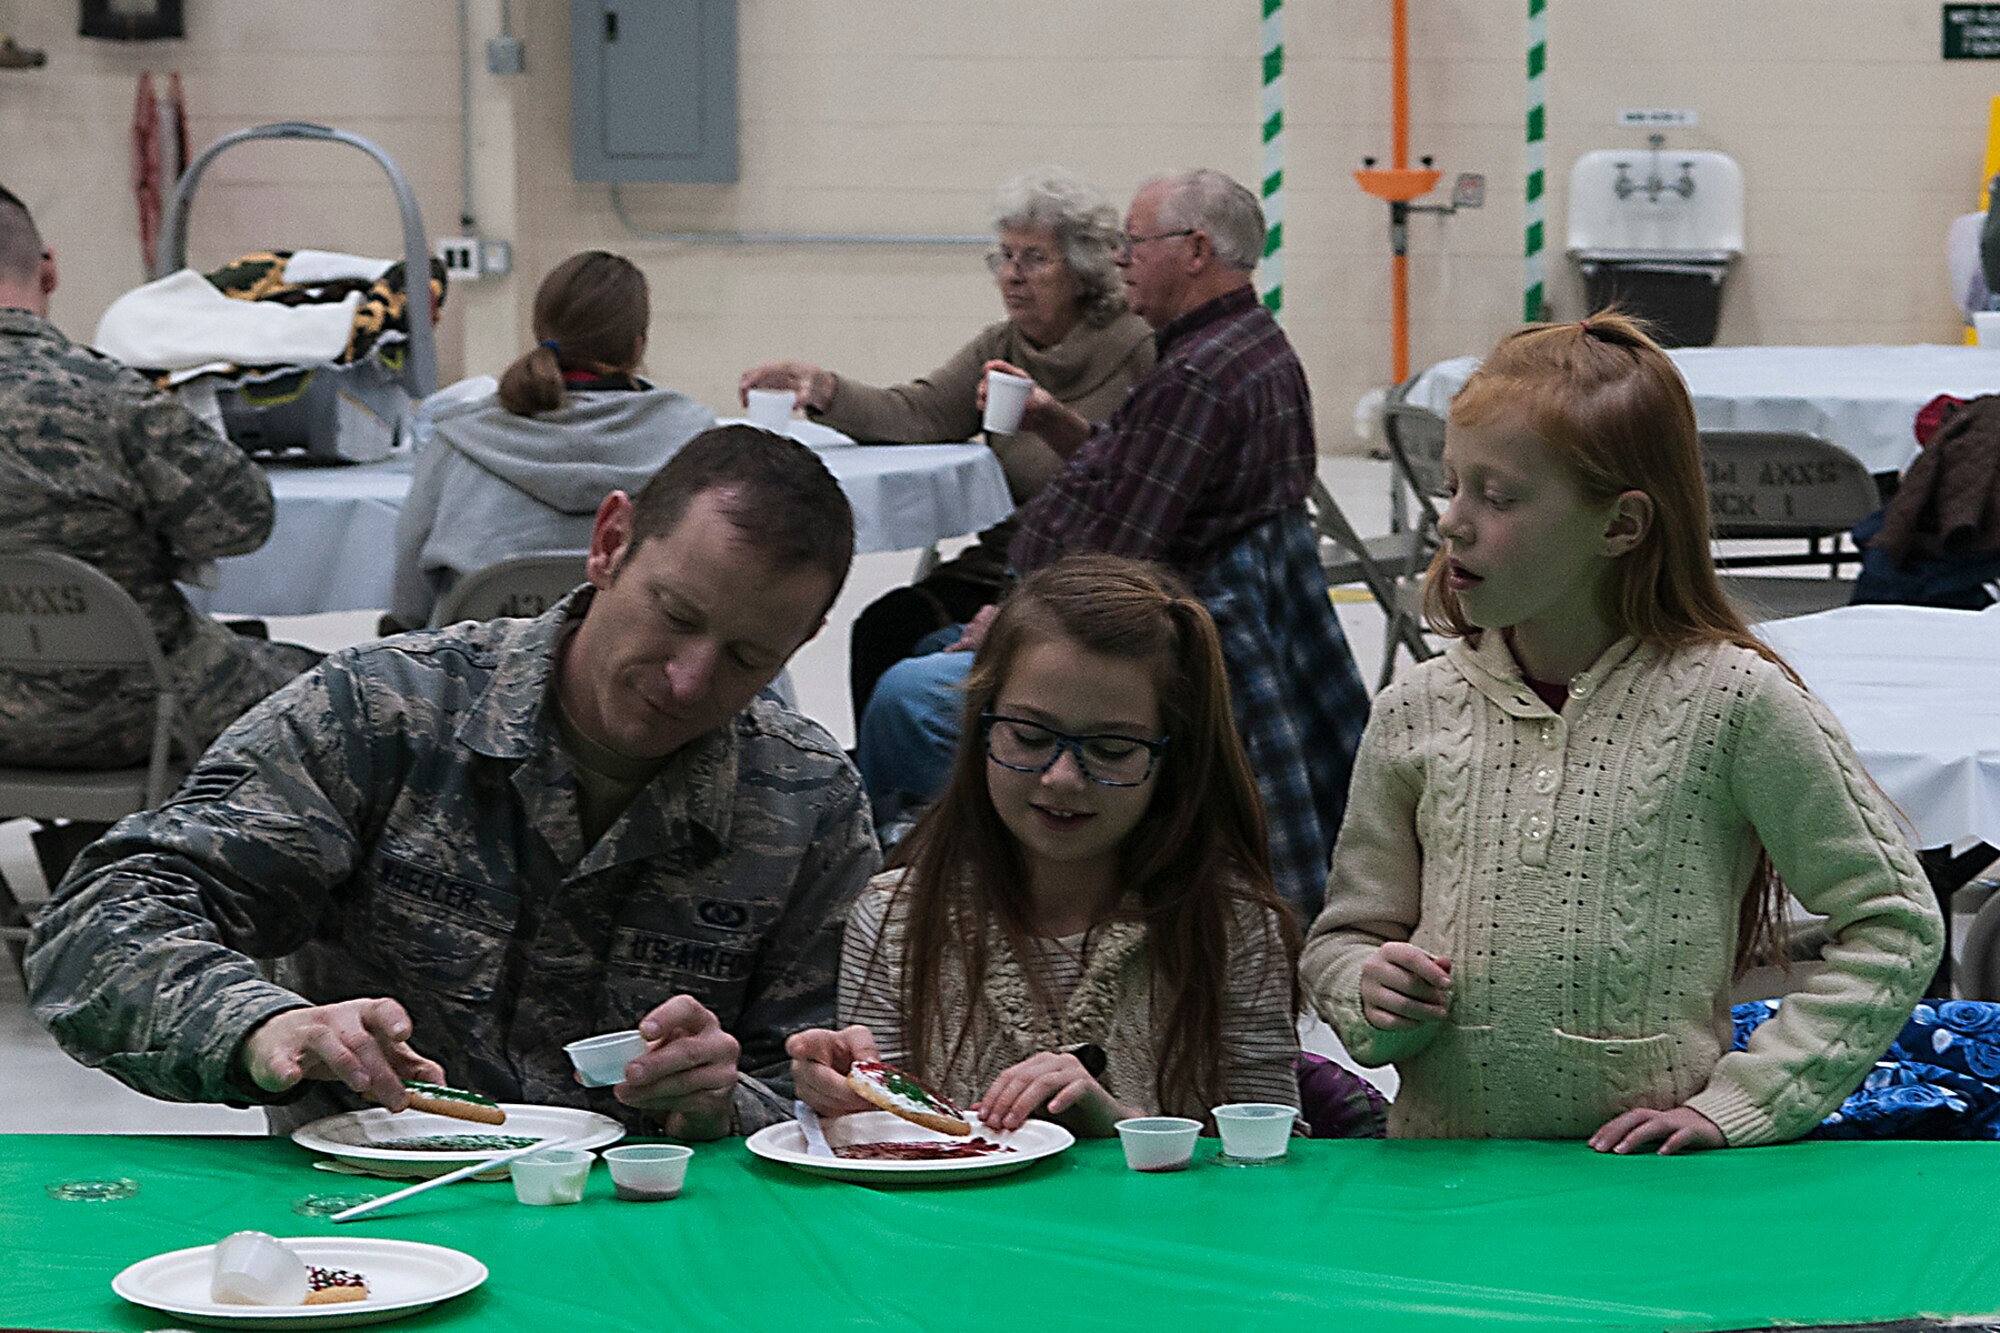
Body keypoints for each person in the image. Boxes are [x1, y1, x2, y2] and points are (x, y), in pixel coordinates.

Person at [27, 426, 880, 1140]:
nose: (690, 681)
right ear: (610, 542)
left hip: (655, 1246)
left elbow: (829, 1099)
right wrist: (262, 1026)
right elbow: (97, 923)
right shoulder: (383, 712)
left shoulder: (807, 802)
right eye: (677, 615)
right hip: (371, 1239)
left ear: (804, 640)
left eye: (747, 658)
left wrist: (730, 1097)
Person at [1301, 312, 1946, 1153]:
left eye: (1497, 496)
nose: (1452, 521)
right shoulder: (1413, 710)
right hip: (1446, 1192)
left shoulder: (1733, 703)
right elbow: (1343, 939)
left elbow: (1894, 919)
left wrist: (1747, 1100)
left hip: (1651, 1204)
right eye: (1453, 485)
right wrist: (1366, 988)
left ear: (1621, 526)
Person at [856, 168, 1366, 920]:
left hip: (1125, 648)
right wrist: (1058, 424)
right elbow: (1136, 474)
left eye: (1135, 243)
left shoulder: (1195, 374)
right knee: (904, 629)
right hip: (1179, 624)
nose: (1123, 259)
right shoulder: (1248, 345)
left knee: (904, 692)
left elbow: (1118, 557)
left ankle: (950, 894)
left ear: (1195, 250)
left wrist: (1009, 625)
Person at [788, 554, 1300, 1136]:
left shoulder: (1231, 924)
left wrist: (1120, 1130)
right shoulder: (894, 919)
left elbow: (1268, 1168)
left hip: (1163, 1230)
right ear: (982, 723)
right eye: (1029, 737)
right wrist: (836, 1103)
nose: (1062, 777)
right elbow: (881, 1144)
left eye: (1111, 750)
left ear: (1172, 757)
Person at [739, 166, 1155, 723]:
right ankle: (886, 802)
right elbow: (920, 413)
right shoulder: (1003, 345)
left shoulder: (1136, 350)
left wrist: (1013, 608)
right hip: (1003, 562)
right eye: (1004, 257)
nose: (1012, 275)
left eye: (1034, 258)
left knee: (924, 676)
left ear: (1081, 271)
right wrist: (823, 388)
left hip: (1084, 575)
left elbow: (1133, 483)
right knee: (886, 626)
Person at [0, 182, 319, 772]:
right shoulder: (110, 398)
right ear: (48, 270)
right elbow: (244, 523)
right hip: (134, 713)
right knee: (340, 691)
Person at [388, 251, 715, 630]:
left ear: (540, 333)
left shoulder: (456, 440)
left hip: (477, 680)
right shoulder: (695, 444)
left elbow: (409, 598)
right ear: (637, 347)